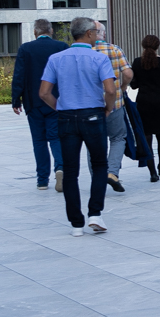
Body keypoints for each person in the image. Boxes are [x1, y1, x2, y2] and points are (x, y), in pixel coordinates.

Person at [38, 16, 117, 236]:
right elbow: (110, 90)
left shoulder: (56, 58)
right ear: (89, 34)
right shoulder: (99, 59)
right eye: (97, 32)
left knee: (71, 170)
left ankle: (75, 224)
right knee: (100, 164)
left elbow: (44, 92)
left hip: (66, 116)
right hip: (93, 115)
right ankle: (95, 213)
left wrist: (60, 107)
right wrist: (107, 108)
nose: (98, 36)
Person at [10, 18, 67, 190]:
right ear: (51, 31)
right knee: (56, 137)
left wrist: (16, 99)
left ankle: (42, 180)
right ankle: (60, 168)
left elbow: (19, 75)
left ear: (35, 32)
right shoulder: (62, 47)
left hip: (33, 101)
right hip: (56, 101)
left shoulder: (25, 48)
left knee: (39, 140)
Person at [129, 35, 160, 181]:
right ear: (158, 46)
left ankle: (152, 173)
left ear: (143, 45)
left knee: (147, 137)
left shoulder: (137, 62)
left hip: (144, 102)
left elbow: (134, 85)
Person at [94, 22, 133, 194]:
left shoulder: (87, 51)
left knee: (94, 143)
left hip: (93, 106)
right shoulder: (115, 50)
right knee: (118, 138)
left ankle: (98, 178)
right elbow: (128, 73)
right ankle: (112, 172)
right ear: (102, 33)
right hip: (115, 103)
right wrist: (123, 87)